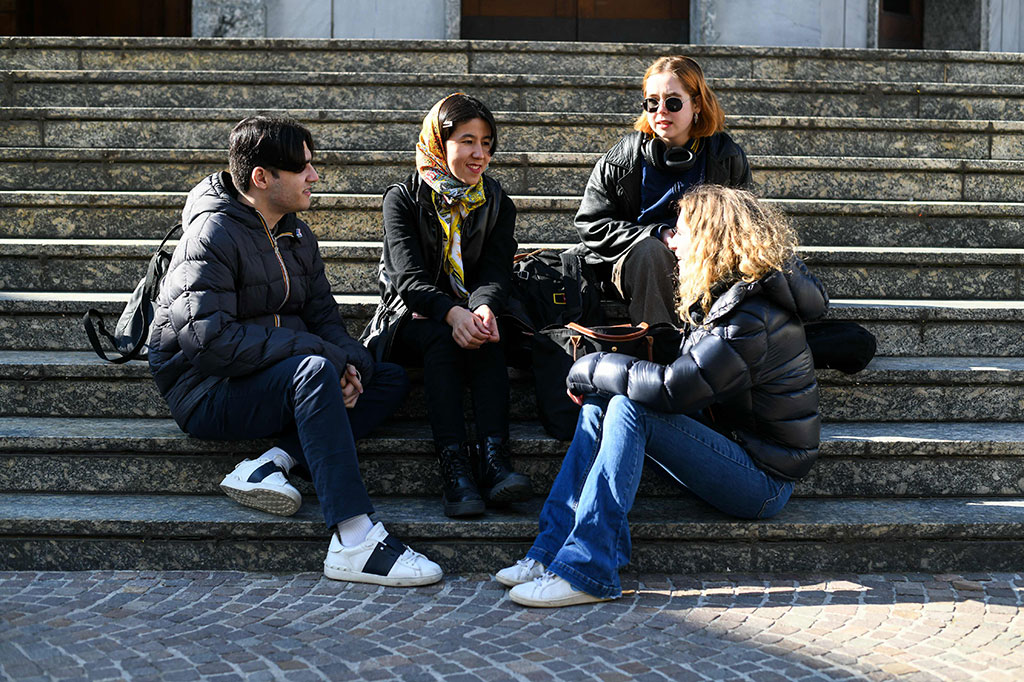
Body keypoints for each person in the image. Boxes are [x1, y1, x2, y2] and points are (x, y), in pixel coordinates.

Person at [497, 185, 827, 607]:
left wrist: (588, 367)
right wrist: (600, 380)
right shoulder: (729, 296)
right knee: (602, 403)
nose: (673, 243)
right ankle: (549, 552)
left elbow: (674, 389)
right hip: (730, 445)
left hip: (762, 479)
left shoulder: (750, 317)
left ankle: (590, 569)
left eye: (682, 232)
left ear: (712, 240)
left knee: (628, 406)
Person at [148, 116, 442, 587]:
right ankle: (354, 538)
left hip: (280, 375)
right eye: (302, 167)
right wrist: (322, 356)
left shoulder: (297, 235)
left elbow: (327, 322)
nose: (314, 176)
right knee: (314, 369)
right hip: (206, 390)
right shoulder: (211, 236)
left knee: (386, 378)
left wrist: (350, 364)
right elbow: (211, 343)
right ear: (262, 178)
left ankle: (272, 462)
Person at [361, 94, 532, 518]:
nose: (480, 154)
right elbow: (407, 280)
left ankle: (495, 463)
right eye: (467, 141)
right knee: (443, 338)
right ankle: (454, 468)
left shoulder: (496, 201)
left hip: (466, 310)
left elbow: (495, 272)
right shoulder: (402, 198)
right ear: (440, 141)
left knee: (488, 333)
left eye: (487, 143)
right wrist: (451, 312)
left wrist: (484, 309)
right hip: (408, 318)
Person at [574, 55, 752, 326]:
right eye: (652, 102)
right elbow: (592, 224)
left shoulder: (726, 157)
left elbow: (746, 228)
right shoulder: (622, 158)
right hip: (636, 264)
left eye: (672, 102)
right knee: (651, 252)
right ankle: (660, 348)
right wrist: (656, 234)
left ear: (697, 105)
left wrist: (698, 245)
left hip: (704, 262)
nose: (661, 111)